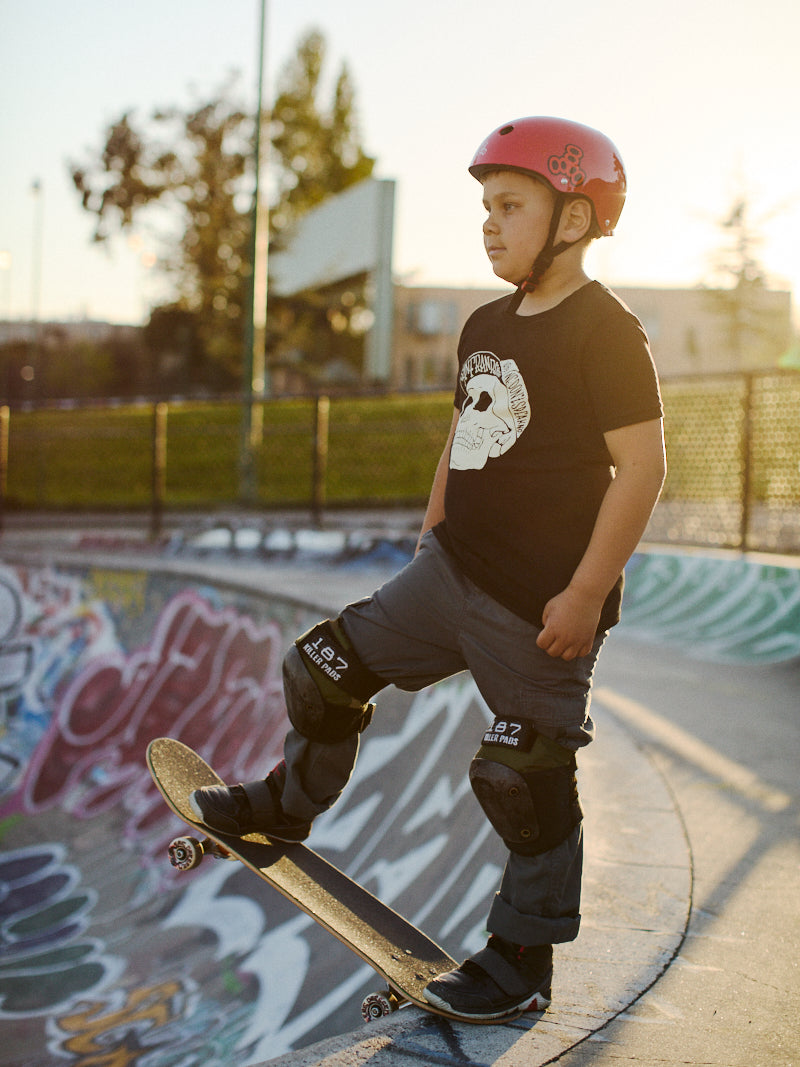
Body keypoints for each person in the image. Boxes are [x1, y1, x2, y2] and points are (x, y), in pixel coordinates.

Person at [190, 116, 666, 1021]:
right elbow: (465, 435)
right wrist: (432, 528)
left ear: (575, 218)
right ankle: (286, 806)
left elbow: (643, 468)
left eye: (511, 206)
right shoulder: (486, 322)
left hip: (539, 607)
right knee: (320, 670)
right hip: (446, 574)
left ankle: (521, 961)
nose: (489, 223)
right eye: (486, 207)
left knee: (523, 776)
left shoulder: (608, 331)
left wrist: (586, 591)